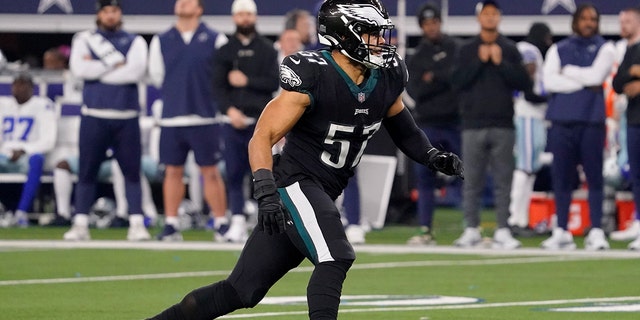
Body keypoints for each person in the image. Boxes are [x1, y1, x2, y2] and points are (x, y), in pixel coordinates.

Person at [147, 1, 462, 319]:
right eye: (370, 33)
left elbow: (403, 127)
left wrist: (432, 156)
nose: (380, 41)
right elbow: (263, 136)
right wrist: (266, 189)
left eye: (380, 33)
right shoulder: (313, 72)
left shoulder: (386, 75)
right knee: (336, 255)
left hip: (322, 190)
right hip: (295, 183)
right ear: (345, 35)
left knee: (240, 291)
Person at [63, 0, 151, 241]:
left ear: (119, 13)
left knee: (132, 173)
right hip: (94, 116)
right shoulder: (83, 39)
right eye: (106, 11)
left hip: (126, 118)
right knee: (87, 172)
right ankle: (80, 223)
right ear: (99, 15)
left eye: (114, 11)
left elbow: (134, 72)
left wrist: (98, 68)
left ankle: (136, 223)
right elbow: (80, 70)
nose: (110, 15)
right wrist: (113, 64)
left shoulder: (136, 41)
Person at [450, 0, 530, 249]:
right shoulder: (466, 49)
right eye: (486, 14)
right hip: (473, 123)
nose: (490, 18)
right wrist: (479, 62)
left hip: (503, 123)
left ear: (500, 18)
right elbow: (456, 82)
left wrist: (500, 63)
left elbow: (523, 83)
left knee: (503, 180)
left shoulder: (509, 48)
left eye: (494, 14)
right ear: (479, 18)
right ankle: (471, 228)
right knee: (471, 179)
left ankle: (503, 230)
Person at [148, 0, 230, 241]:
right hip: (172, 117)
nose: (182, 3)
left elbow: (222, 76)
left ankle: (220, 223)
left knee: (210, 171)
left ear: (199, 8)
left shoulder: (216, 38)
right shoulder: (161, 40)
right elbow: (157, 77)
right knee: (172, 171)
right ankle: (172, 224)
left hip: (205, 116)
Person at [541, 3, 616, 250]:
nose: (589, 23)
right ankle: (561, 230)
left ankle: (595, 230)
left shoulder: (606, 48)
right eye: (584, 18)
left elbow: (597, 77)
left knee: (594, 177)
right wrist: (583, 83)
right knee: (561, 178)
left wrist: (569, 72)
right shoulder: (558, 48)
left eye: (593, 19)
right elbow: (549, 81)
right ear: (575, 21)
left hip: (591, 122)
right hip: (562, 122)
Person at [213, 0, 279, 243]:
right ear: (234, 17)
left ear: (255, 17)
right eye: (240, 14)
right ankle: (237, 221)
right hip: (233, 122)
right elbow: (217, 87)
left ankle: (267, 221)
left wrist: (247, 80)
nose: (244, 19)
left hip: (260, 123)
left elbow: (273, 83)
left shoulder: (267, 49)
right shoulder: (224, 50)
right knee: (233, 173)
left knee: (263, 173)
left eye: (248, 14)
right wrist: (230, 111)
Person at [405, 1, 461, 245]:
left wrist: (434, 77)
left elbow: (458, 80)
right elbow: (417, 90)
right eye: (427, 23)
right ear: (421, 26)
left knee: (468, 173)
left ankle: (473, 228)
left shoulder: (457, 48)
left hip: (456, 122)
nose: (431, 27)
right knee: (425, 177)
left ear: (440, 22)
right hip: (428, 124)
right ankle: (425, 229)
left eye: (434, 22)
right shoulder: (417, 56)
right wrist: (443, 78)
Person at [508, 22, 553, 237]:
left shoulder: (529, 49)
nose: (549, 42)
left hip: (534, 115)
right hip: (526, 114)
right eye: (547, 37)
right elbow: (526, 85)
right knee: (524, 168)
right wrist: (552, 98)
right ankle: (514, 219)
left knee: (531, 169)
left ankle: (523, 219)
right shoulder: (529, 49)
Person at [0, 73, 57, 227]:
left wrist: (24, 150)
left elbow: (49, 140)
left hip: (28, 156)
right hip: (4, 154)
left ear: (32, 88)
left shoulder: (43, 105)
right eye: (16, 84)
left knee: (37, 160)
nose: (18, 88)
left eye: (23, 84)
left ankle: (21, 212)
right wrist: (7, 151)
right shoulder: (3, 104)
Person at [612, 6, 640, 250]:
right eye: (621, 21)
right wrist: (632, 71)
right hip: (633, 119)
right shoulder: (629, 50)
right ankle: (638, 221)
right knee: (636, 174)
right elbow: (617, 83)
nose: (623, 25)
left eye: (628, 21)